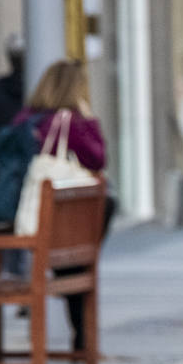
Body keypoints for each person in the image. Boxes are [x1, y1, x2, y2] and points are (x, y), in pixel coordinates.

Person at [12, 59, 113, 348]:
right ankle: (83, 338)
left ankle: (82, 336)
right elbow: (98, 159)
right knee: (104, 206)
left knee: (73, 265)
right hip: (61, 236)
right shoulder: (73, 123)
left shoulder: (25, 119)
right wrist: (89, 118)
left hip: (22, 218)